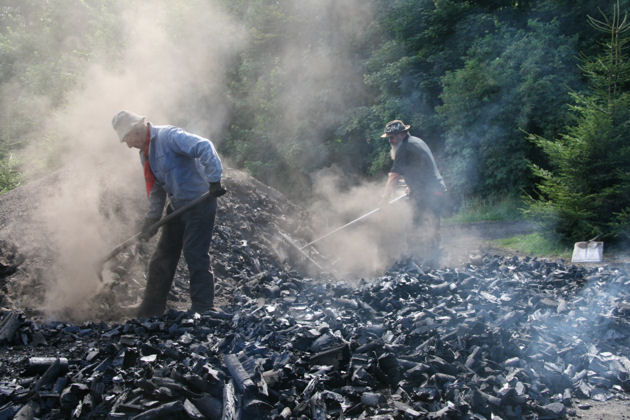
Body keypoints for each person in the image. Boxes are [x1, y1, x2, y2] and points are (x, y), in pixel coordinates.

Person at [112, 110, 226, 317]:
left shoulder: (169, 137)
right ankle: (151, 308)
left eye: (127, 140)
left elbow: (204, 146)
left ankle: (203, 308)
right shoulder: (145, 154)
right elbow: (156, 187)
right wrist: (152, 218)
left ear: (136, 130)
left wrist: (214, 180)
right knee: (162, 256)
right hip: (178, 206)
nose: (128, 145)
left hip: (200, 204)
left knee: (195, 253)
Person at [380, 119, 447, 264]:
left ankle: (416, 261)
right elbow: (421, 167)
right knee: (430, 223)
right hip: (436, 189)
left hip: (427, 192)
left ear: (400, 134)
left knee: (416, 224)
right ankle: (434, 259)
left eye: (392, 137)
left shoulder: (404, 148)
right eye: (389, 138)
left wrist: (385, 200)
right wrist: (412, 187)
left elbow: (394, 177)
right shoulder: (416, 141)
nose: (390, 141)